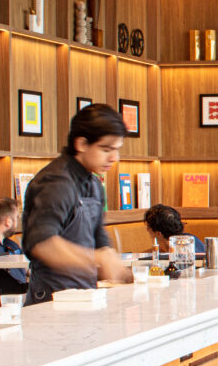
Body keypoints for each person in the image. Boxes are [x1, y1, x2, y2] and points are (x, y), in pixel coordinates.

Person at [20, 104, 133, 304]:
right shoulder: (56, 182)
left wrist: (119, 268)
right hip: (51, 301)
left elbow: (100, 240)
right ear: (81, 144)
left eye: (117, 150)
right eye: (106, 149)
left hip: (85, 297)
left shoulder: (94, 184)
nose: (114, 158)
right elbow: (42, 244)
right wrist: (98, 259)